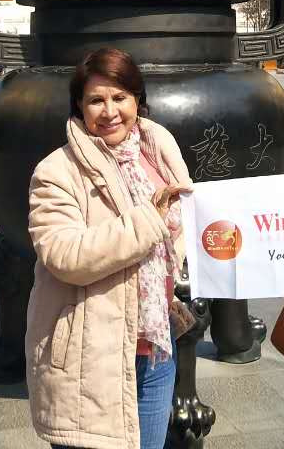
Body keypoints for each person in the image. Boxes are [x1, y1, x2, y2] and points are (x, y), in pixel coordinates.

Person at [25, 47, 192, 449]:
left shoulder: (158, 150)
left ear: (138, 99)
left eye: (120, 97)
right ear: (79, 107)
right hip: (90, 356)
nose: (110, 111)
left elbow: (183, 223)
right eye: (96, 100)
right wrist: (148, 222)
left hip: (154, 346)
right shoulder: (56, 172)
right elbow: (63, 254)